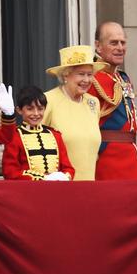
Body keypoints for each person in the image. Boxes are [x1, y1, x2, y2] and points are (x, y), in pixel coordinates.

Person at [87, 22, 137, 180]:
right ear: (98, 46)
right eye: (113, 43)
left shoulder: (122, 77)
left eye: (123, 42)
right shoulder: (91, 79)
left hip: (131, 155)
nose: (120, 47)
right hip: (107, 159)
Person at [43, 45, 107, 180]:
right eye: (81, 74)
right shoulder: (48, 100)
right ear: (66, 74)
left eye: (90, 74)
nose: (87, 80)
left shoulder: (93, 103)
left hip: (89, 185)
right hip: (60, 185)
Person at [2, 86, 74, 181]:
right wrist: (43, 178)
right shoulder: (14, 136)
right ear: (19, 110)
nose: (36, 113)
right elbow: (10, 172)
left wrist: (64, 177)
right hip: (28, 191)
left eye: (40, 109)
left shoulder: (55, 135)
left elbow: (68, 168)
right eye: (30, 109)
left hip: (56, 190)